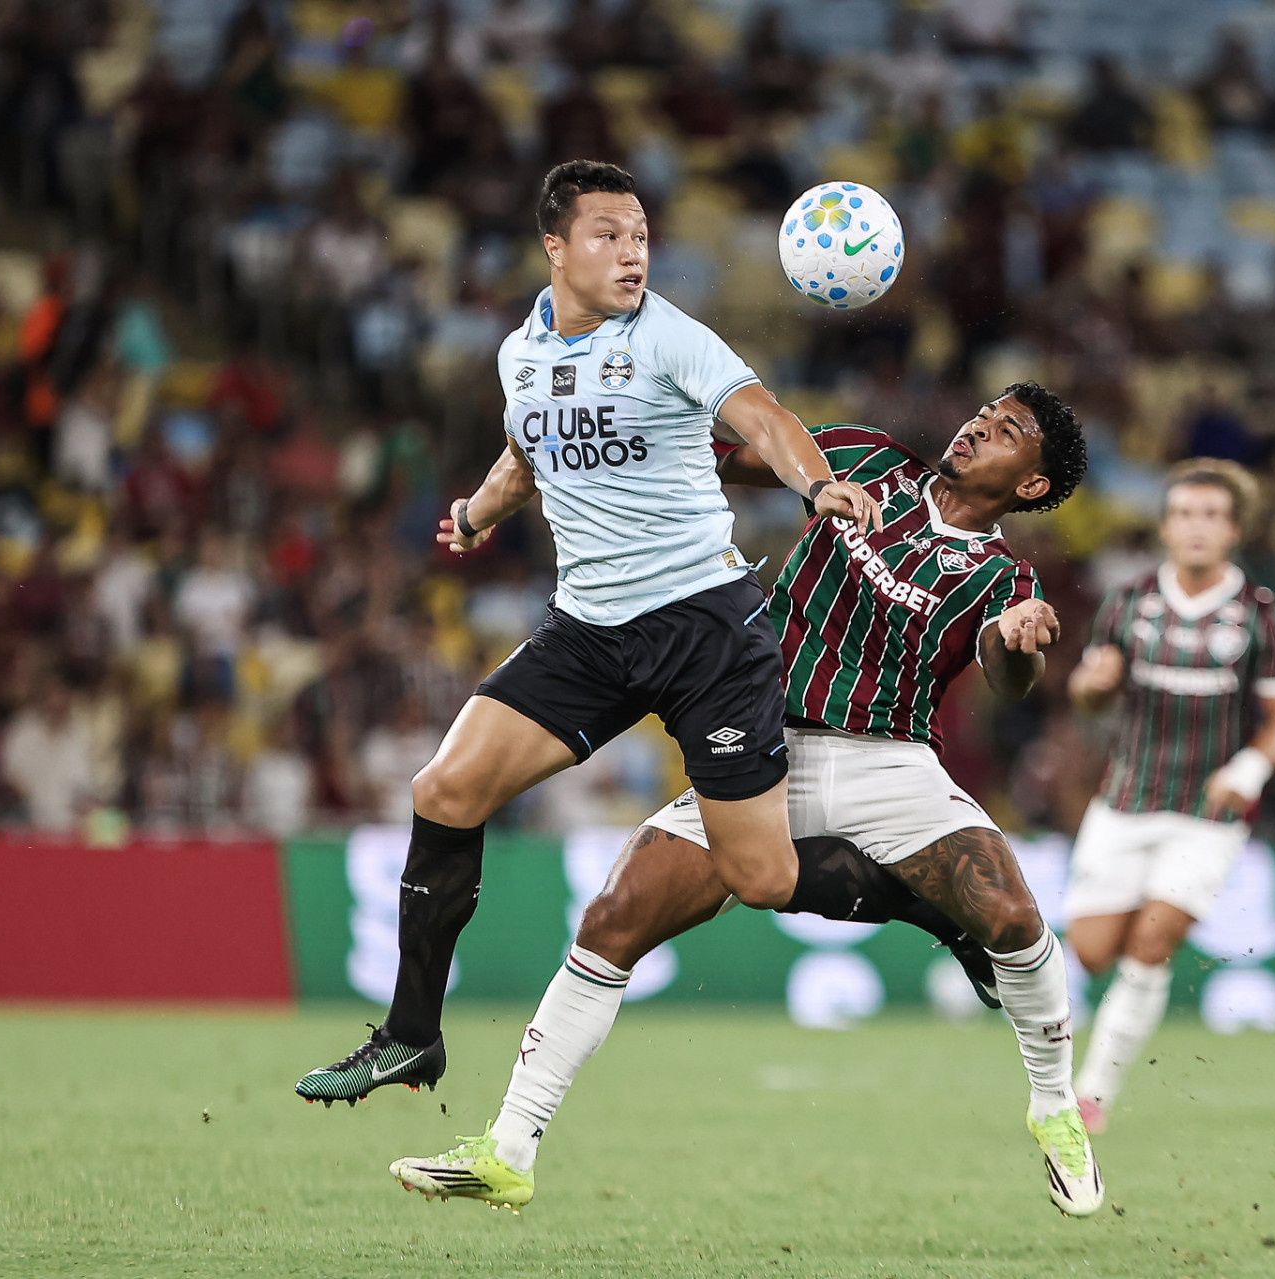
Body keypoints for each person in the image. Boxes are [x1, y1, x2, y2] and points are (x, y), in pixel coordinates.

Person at [387, 386, 1109, 1218]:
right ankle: (509, 1149)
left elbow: (1005, 670)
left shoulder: (1003, 574)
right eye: (988, 409)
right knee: (615, 917)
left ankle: (1055, 1106)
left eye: (1009, 429)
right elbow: (718, 462)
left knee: (1012, 913)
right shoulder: (863, 457)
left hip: (890, 761)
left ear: (1028, 485)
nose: (982, 422)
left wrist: (1021, 643)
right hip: (760, 739)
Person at [294, 161, 880, 1103]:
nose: (632, 252)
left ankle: (933, 901)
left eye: (642, 235)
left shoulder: (671, 339)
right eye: (608, 234)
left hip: (704, 629)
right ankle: (411, 1035)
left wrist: (817, 485)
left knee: (764, 875)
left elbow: (764, 418)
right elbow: (528, 448)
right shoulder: (519, 352)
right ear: (555, 248)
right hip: (591, 631)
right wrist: (479, 512)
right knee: (446, 787)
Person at [1063, 459, 1275, 1135]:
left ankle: (1094, 1093)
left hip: (1207, 812)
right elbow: (1088, 697)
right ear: (1166, 525)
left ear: (1233, 529)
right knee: (1090, 950)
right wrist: (1094, 681)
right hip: (1126, 799)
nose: (1197, 527)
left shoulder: (1262, 615)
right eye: (1185, 514)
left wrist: (1251, 768)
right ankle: (1135, 909)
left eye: (1212, 515)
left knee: (1153, 940)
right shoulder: (1128, 601)